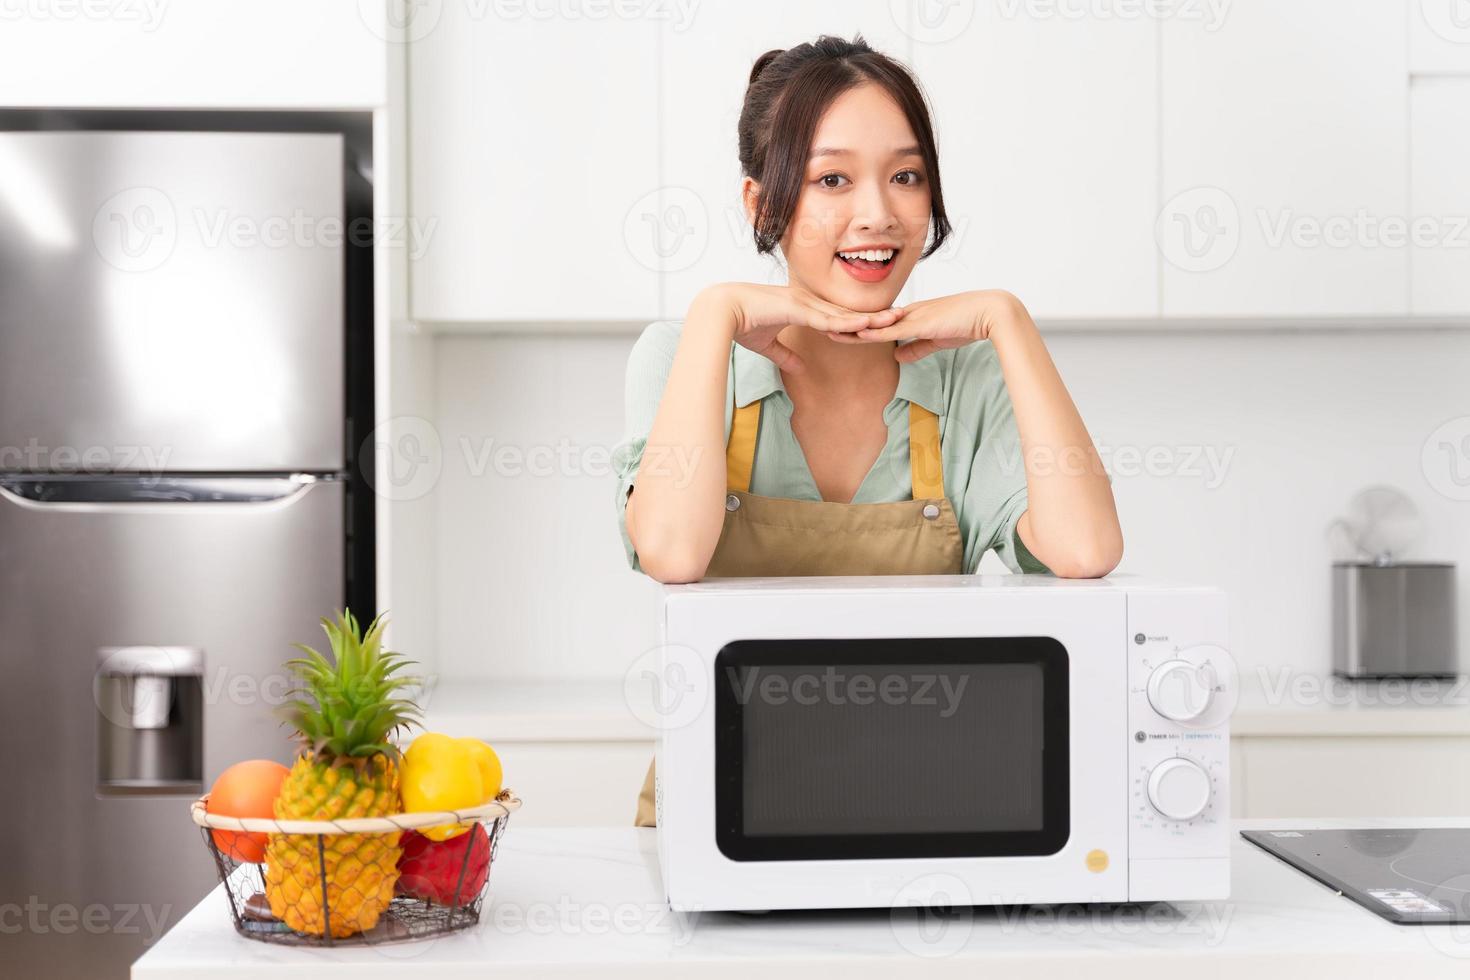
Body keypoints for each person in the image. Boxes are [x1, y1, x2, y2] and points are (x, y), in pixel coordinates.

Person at [612, 35, 1123, 828]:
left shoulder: (967, 378)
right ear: (761, 204)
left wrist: (1009, 324)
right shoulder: (683, 359)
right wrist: (716, 313)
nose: (879, 214)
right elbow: (673, 553)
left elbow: (1086, 550)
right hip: (721, 813)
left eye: (906, 176)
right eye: (832, 179)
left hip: (927, 800)